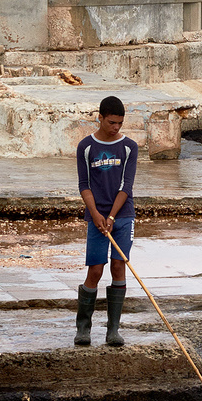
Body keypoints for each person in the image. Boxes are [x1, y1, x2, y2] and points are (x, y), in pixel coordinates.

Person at [75, 96, 138, 346]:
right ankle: (83, 329)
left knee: (118, 267)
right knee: (96, 270)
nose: (116, 128)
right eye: (112, 122)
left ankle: (113, 330)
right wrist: (97, 215)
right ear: (99, 117)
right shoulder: (86, 147)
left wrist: (111, 216)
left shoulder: (129, 147)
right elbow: (84, 185)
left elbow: (127, 186)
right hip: (96, 216)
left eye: (120, 123)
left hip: (122, 215)